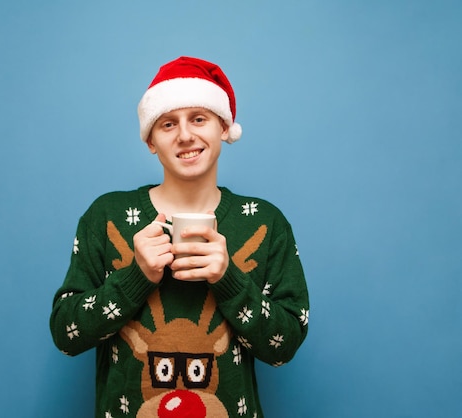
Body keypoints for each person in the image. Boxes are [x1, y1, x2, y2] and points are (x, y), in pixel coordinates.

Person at [50, 56, 310, 417]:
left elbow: (284, 347)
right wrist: (134, 278)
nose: (185, 135)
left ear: (223, 126)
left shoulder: (266, 223)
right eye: (168, 123)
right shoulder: (105, 216)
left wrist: (229, 280)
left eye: (199, 119)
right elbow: (66, 335)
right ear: (150, 141)